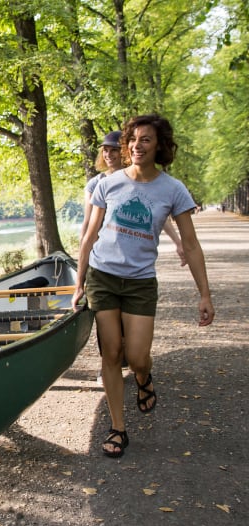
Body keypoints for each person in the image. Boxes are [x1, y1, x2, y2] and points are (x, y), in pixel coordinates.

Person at [72, 114, 214, 459]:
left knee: (136, 357)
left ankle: (144, 377)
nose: (137, 145)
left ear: (160, 146)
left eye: (146, 139)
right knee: (111, 353)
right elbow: (89, 235)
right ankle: (118, 427)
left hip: (140, 282)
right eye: (133, 139)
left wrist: (205, 294)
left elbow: (191, 245)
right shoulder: (108, 183)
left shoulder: (173, 190)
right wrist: (79, 283)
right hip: (103, 277)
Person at [81, 131, 187, 385]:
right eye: (104, 150)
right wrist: (82, 260)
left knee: (132, 338)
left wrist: (177, 241)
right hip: (103, 263)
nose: (108, 154)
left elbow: (155, 217)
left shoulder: (143, 179)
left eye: (113, 150)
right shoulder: (96, 183)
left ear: (122, 152)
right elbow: (89, 224)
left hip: (136, 271)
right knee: (108, 329)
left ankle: (135, 362)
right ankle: (109, 363)